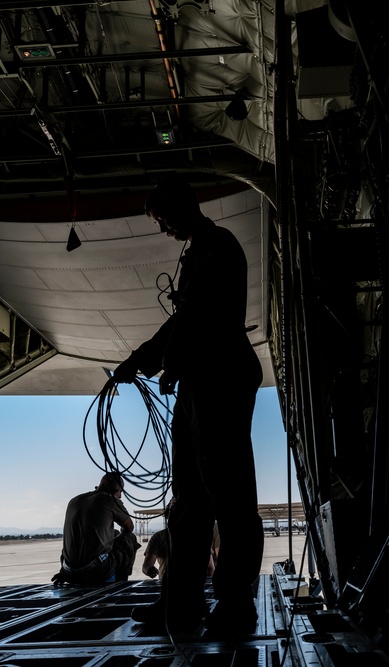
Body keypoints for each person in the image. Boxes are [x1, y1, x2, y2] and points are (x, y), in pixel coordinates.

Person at [113, 174, 264, 637]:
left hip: (219, 383)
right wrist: (140, 361)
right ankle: (180, 603)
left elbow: (201, 319)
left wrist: (164, 362)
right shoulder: (201, 249)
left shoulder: (216, 247)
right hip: (201, 387)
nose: (163, 228)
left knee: (230, 501)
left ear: (182, 207)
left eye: (163, 218)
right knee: (189, 505)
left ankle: (235, 605)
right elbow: (184, 322)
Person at [53, 471, 140, 585]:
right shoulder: (110, 501)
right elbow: (129, 528)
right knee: (129, 538)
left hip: (68, 571)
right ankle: (120, 586)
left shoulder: (74, 500)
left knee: (112, 533)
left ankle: (66, 572)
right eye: (120, 491)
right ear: (114, 491)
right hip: (96, 571)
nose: (120, 496)